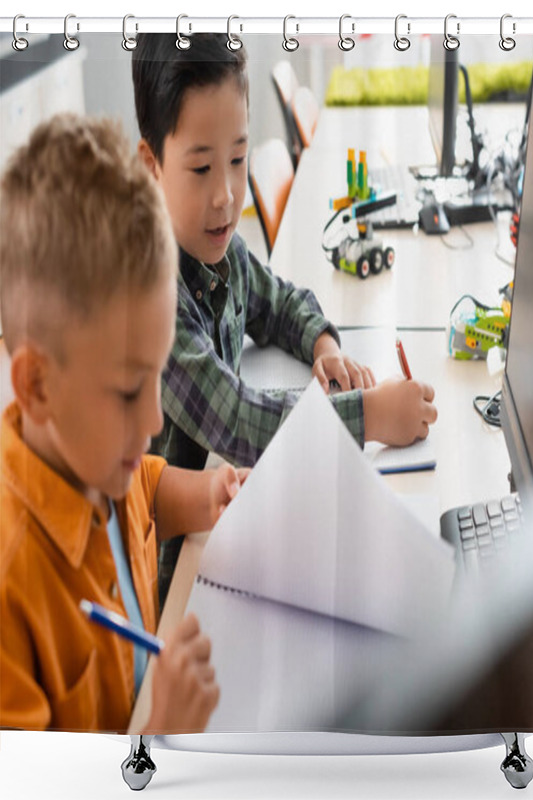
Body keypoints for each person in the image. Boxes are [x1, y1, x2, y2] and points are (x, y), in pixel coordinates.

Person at [131, 33, 438, 602]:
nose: (227, 195)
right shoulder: (152, 298)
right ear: (151, 166)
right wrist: (368, 414)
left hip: (227, 518)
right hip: (178, 579)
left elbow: (278, 300)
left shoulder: (220, 248)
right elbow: (238, 421)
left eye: (239, 159)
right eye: (201, 169)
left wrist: (323, 345)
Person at [0, 114, 245, 733]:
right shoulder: (11, 587)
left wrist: (210, 496)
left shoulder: (97, 457)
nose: (155, 418)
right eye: (130, 390)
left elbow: (148, 496)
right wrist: (157, 732)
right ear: (36, 386)